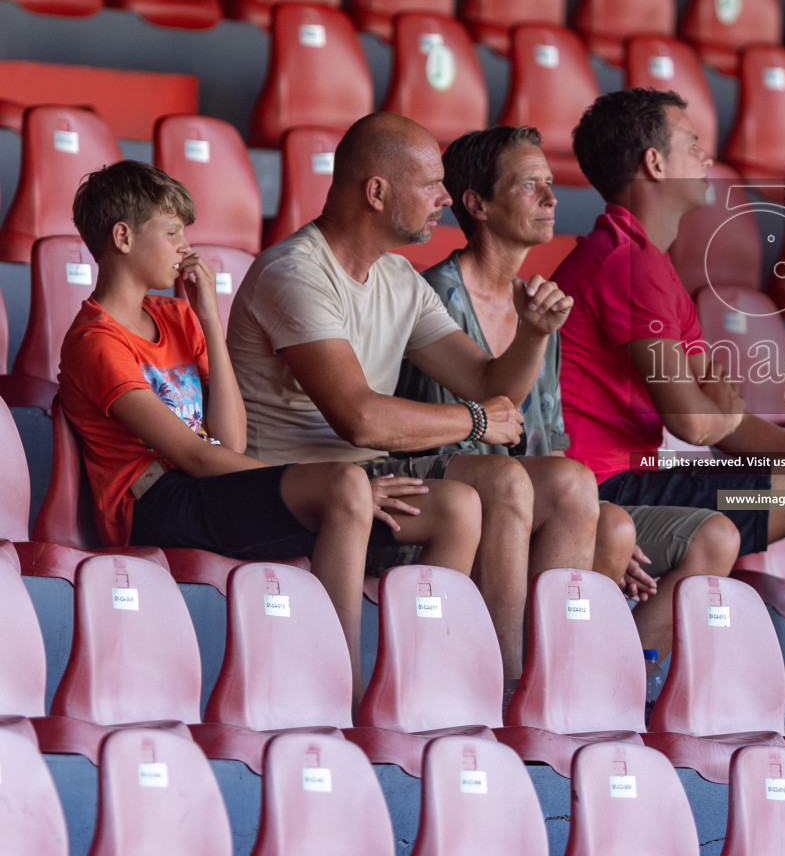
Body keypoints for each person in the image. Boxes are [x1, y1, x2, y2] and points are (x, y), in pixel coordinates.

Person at [57, 160, 475, 705]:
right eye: (172, 231)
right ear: (123, 237)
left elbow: (227, 441)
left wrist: (208, 316)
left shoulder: (178, 318)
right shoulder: (96, 340)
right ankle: (340, 697)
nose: (186, 246)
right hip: (155, 500)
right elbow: (194, 455)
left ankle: (429, 694)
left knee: (457, 507)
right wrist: (322, 481)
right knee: (346, 486)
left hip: (210, 485)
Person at [227, 112, 603, 685]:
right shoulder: (295, 272)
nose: (446, 197)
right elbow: (360, 418)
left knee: (561, 481)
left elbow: (491, 386)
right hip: (292, 489)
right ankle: (484, 684)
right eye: (430, 184)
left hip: (371, 476)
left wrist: (532, 333)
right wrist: (476, 422)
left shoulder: (398, 278)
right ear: (376, 192)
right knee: (488, 488)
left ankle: (512, 688)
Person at [395, 125, 743, 657]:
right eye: (529, 185)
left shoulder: (543, 303)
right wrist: (733, 415)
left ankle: (598, 679)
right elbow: (444, 448)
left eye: (551, 183)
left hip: (558, 492)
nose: (552, 198)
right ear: (477, 205)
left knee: (645, 526)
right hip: (463, 498)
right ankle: (523, 677)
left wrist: (586, 517)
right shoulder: (437, 298)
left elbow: (550, 443)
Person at [555, 87, 785, 649]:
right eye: (692, 145)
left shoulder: (648, 265)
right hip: (606, 490)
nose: (707, 159)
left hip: (643, 481)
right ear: (654, 164)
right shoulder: (625, 264)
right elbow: (699, 423)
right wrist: (717, 412)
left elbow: (725, 418)